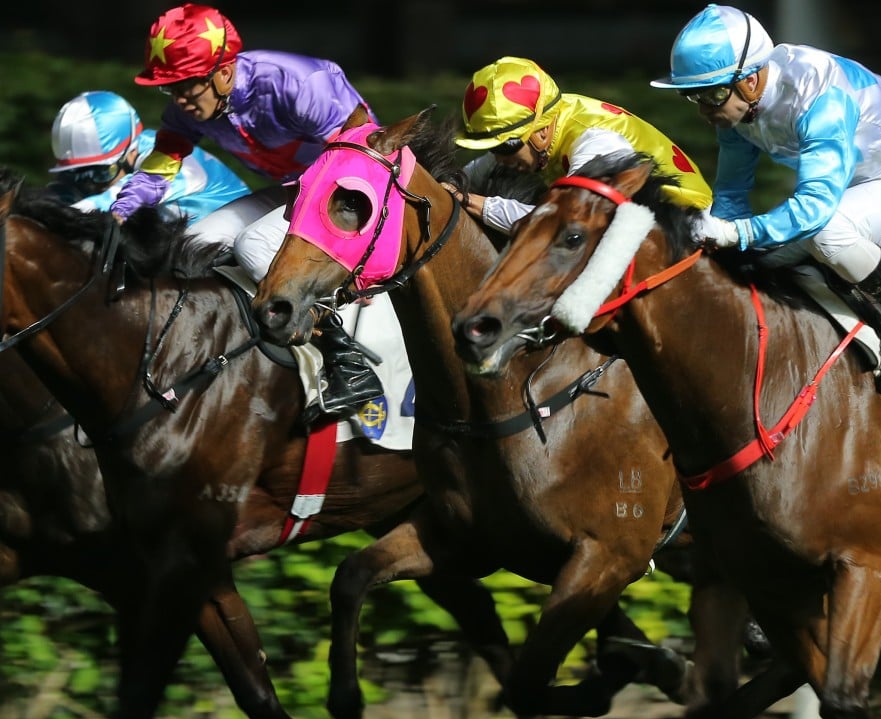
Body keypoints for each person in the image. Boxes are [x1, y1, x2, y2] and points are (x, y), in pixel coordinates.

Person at [651, 4, 881, 391]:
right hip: (855, 197)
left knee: (825, 231)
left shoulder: (819, 98)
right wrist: (721, 244)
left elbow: (814, 209)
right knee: (754, 263)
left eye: (711, 94)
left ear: (750, 80)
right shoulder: (737, 106)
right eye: (693, 97)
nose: (705, 111)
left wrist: (736, 233)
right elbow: (730, 194)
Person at [110, 3, 382, 423]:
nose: (180, 99)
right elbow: (161, 164)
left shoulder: (300, 84)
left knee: (253, 245)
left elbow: (359, 158)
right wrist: (120, 213)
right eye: (171, 88)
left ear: (223, 71)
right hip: (297, 189)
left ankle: (346, 361)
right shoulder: (191, 108)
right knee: (194, 244)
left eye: (187, 85)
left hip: (351, 189)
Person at [449, 56, 713, 233]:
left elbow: (562, 221)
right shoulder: (546, 125)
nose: (498, 158)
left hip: (685, 224)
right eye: (491, 147)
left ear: (540, 131)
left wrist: (473, 202)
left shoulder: (595, 141)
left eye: (504, 147)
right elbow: (464, 177)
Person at [47, 90, 249, 222]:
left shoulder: (168, 159)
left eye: (100, 173)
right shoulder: (123, 156)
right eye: (78, 174)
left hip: (232, 232)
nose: (92, 185)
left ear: (131, 151)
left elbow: (114, 198)